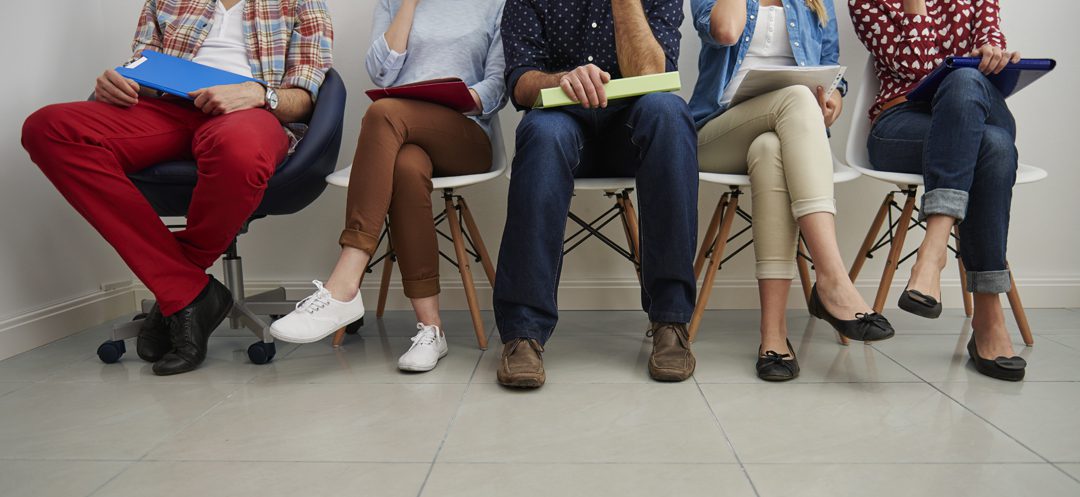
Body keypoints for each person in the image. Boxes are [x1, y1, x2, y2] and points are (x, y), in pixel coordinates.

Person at [20, 0, 333, 376]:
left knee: (240, 151)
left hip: (249, 114)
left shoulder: (302, 4)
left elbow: (304, 97)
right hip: (166, 110)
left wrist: (258, 95)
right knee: (48, 128)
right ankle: (189, 291)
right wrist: (119, 81)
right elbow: (142, 68)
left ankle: (179, 290)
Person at [270, 0, 507, 373]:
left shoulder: (495, 4)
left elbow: (498, 85)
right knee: (407, 166)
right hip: (401, 133)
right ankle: (431, 329)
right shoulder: (392, 3)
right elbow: (381, 72)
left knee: (383, 113)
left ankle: (345, 282)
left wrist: (457, 99)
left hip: (465, 134)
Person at [494, 0, 698, 388]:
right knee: (540, 132)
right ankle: (523, 332)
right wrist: (563, 80)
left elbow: (655, 74)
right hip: (563, 119)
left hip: (633, 130)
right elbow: (519, 82)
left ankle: (670, 320)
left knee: (670, 114)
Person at [690, 0, 894, 381]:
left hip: (785, 135)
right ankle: (832, 278)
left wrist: (833, 101)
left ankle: (774, 336)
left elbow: (833, 71)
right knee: (797, 98)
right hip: (717, 134)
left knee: (769, 149)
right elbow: (725, 32)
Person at [850, 0, 1027, 380]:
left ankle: (933, 251)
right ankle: (989, 317)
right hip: (900, 123)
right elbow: (918, 68)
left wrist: (994, 55)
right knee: (994, 147)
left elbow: (990, 36)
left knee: (964, 80)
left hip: (974, 106)